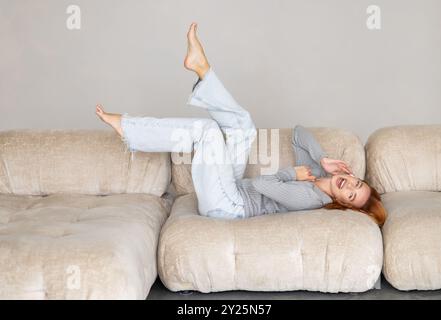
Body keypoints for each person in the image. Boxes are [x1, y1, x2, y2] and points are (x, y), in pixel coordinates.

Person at [95, 22, 386, 226]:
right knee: (243, 125)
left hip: (227, 207)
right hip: (231, 188)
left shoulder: (309, 197)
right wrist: (323, 158)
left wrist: (294, 174)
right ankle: (201, 68)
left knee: (207, 132)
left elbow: (262, 183)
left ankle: (131, 130)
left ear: (342, 203)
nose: (349, 184)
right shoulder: (320, 173)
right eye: (356, 182)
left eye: (350, 194)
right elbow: (298, 133)